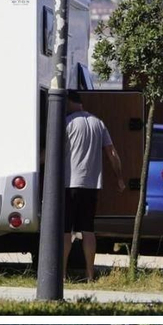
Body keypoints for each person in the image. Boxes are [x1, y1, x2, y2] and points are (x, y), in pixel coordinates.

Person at [63, 91, 123, 283]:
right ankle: (90, 275)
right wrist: (119, 178)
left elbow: (53, 151)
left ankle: (61, 275)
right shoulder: (98, 123)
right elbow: (112, 153)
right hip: (92, 184)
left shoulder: (67, 122)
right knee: (88, 230)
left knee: (66, 230)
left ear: (68, 102)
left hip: (70, 183)